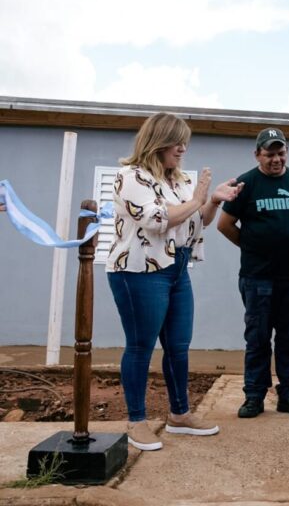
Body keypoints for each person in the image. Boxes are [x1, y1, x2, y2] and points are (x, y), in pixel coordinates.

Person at [107, 112, 242, 451]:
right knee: (140, 346)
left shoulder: (180, 180)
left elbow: (197, 224)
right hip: (138, 271)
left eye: (186, 142)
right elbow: (156, 220)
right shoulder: (131, 176)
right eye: (177, 141)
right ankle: (136, 421)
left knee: (179, 346)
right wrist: (197, 199)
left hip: (177, 268)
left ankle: (179, 415)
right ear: (157, 142)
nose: (183, 148)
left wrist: (211, 201)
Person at [218, 127, 289, 419]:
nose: (276, 159)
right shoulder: (245, 184)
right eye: (270, 154)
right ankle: (254, 396)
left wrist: (286, 240)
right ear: (258, 154)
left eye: (281, 152)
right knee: (258, 339)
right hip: (257, 277)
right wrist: (252, 247)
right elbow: (224, 225)